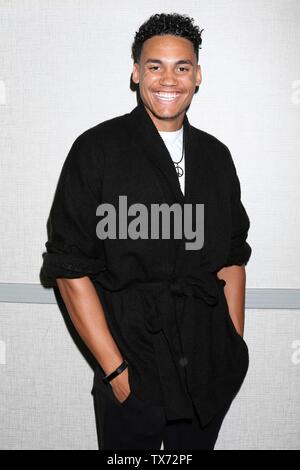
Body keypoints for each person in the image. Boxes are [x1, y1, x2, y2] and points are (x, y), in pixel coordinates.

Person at [40, 13, 252, 450]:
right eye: (155, 66)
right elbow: (68, 267)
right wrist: (117, 374)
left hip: (207, 372)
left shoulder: (216, 156)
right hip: (134, 368)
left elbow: (232, 255)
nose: (168, 78)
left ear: (197, 76)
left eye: (182, 66)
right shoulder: (96, 150)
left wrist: (231, 343)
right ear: (136, 73)